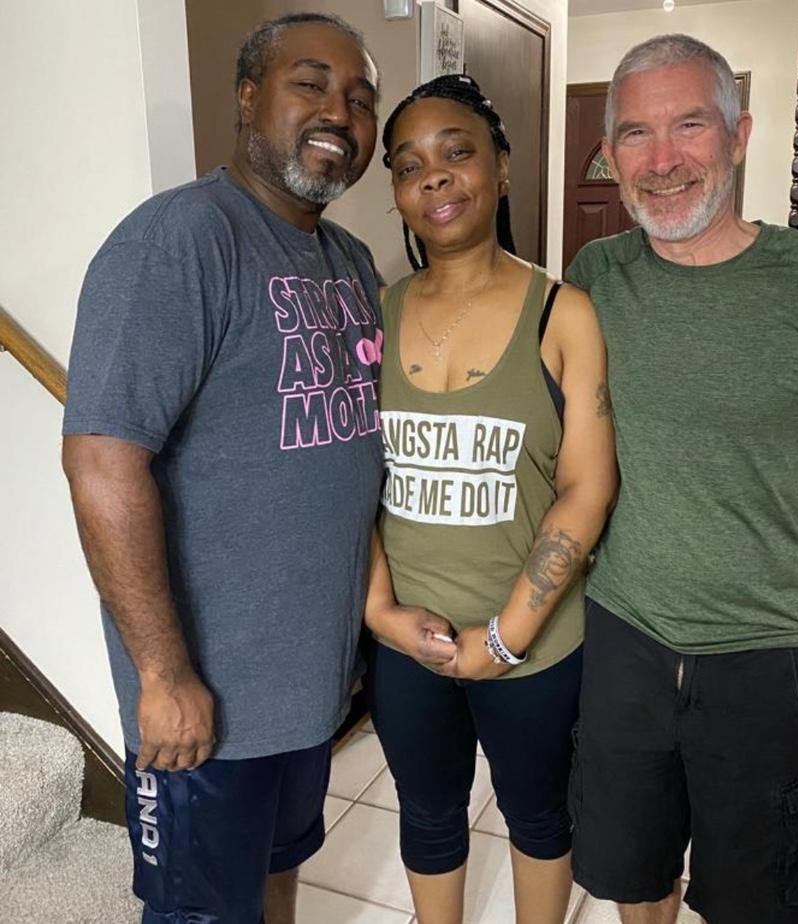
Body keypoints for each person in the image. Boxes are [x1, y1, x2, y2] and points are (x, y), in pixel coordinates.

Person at [564, 33, 798, 924]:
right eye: (635, 134)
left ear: (739, 134)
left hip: (766, 651)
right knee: (637, 878)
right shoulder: (596, 276)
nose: (663, 160)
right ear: (609, 155)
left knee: (759, 899)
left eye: (689, 125)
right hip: (623, 637)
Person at [62, 13, 383, 924]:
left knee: (278, 874)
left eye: (361, 99)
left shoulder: (349, 260)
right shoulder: (180, 241)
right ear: (248, 98)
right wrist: (163, 677)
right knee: (199, 913)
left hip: (306, 686)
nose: (339, 112)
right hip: (203, 702)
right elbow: (101, 462)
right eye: (310, 84)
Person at [362, 74, 617, 924]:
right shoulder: (376, 313)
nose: (433, 176)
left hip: (534, 646)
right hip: (409, 645)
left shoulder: (563, 312)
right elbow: (350, 483)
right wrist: (380, 614)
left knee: (537, 814)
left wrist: (506, 637)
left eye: (456, 152)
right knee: (428, 815)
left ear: (501, 168)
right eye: (409, 165)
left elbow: (587, 487)